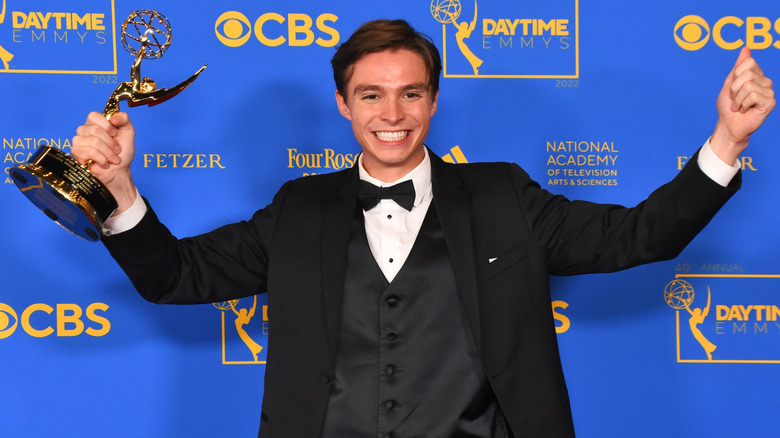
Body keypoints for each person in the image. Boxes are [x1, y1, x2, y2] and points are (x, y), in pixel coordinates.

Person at [72, 19, 774, 438]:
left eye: (411, 93)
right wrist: (119, 190)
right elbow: (174, 277)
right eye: (371, 95)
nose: (392, 113)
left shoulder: (505, 198)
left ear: (434, 101)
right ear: (344, 105)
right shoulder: (299, 209)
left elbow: (642, 236)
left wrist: (725, 138)